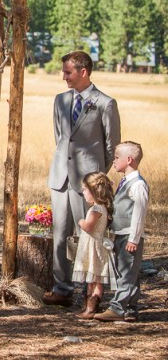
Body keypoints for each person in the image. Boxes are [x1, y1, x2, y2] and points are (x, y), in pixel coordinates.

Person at [43, 50, 121, 307]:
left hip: (87, 182)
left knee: (88, 236)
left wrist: (95, 178)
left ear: (83, 72)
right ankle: (62, 289)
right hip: (60, 178)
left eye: (68, 72)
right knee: (60, 234)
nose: (63, 76)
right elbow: (60, 137)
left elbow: (111, 147)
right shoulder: (60, 100)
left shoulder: (105, 103)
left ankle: (91, 292)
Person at [95, 141, 149, 322]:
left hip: (129, 235)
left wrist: (133, 239)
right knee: (128, 272)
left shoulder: (138, 184)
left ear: (129, 159)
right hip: (121, 233)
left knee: (126, 272)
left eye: (117, 157)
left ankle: (117, 308)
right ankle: (131, 308)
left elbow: (139, 213)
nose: (114, 161)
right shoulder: (125, 182)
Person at [72, 172, 115, 319]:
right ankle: (87, 306)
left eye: (85, 189)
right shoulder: (99, 207)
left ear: (94, 191)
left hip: (94, 247)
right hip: (90, 245)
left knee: (96, 278)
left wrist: (81, 222)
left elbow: (89, 227)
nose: (83, 192)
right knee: (91, 279)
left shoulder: (96, 209)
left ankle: (92, 308)